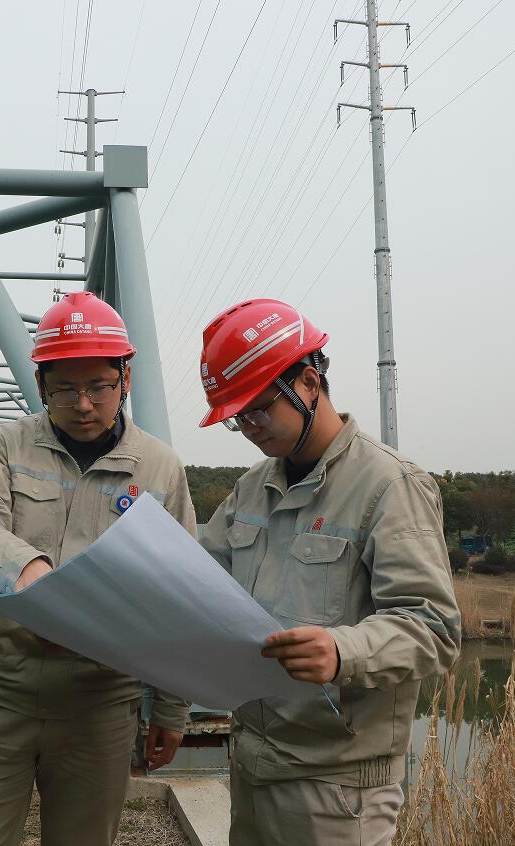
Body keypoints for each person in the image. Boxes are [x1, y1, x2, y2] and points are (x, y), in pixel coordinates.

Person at [0, 291, 195, 846]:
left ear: (126, 378)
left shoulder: (158, 468)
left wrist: (172, 710)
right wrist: (30, 575)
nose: (83, 404)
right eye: (64, 388)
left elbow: (180, 588)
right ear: (41, 384)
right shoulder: (4, 446)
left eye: (99, 386)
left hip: (98, 703)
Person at [196, 298, 461, 846]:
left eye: (258, 409)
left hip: (337, 789)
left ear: (309, 382)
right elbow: (201, 579)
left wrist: (342, 651)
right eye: (237, 418)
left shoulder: (389, 486)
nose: (249, 428)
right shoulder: (252, 488)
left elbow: (433, 627)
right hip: (252, 765)